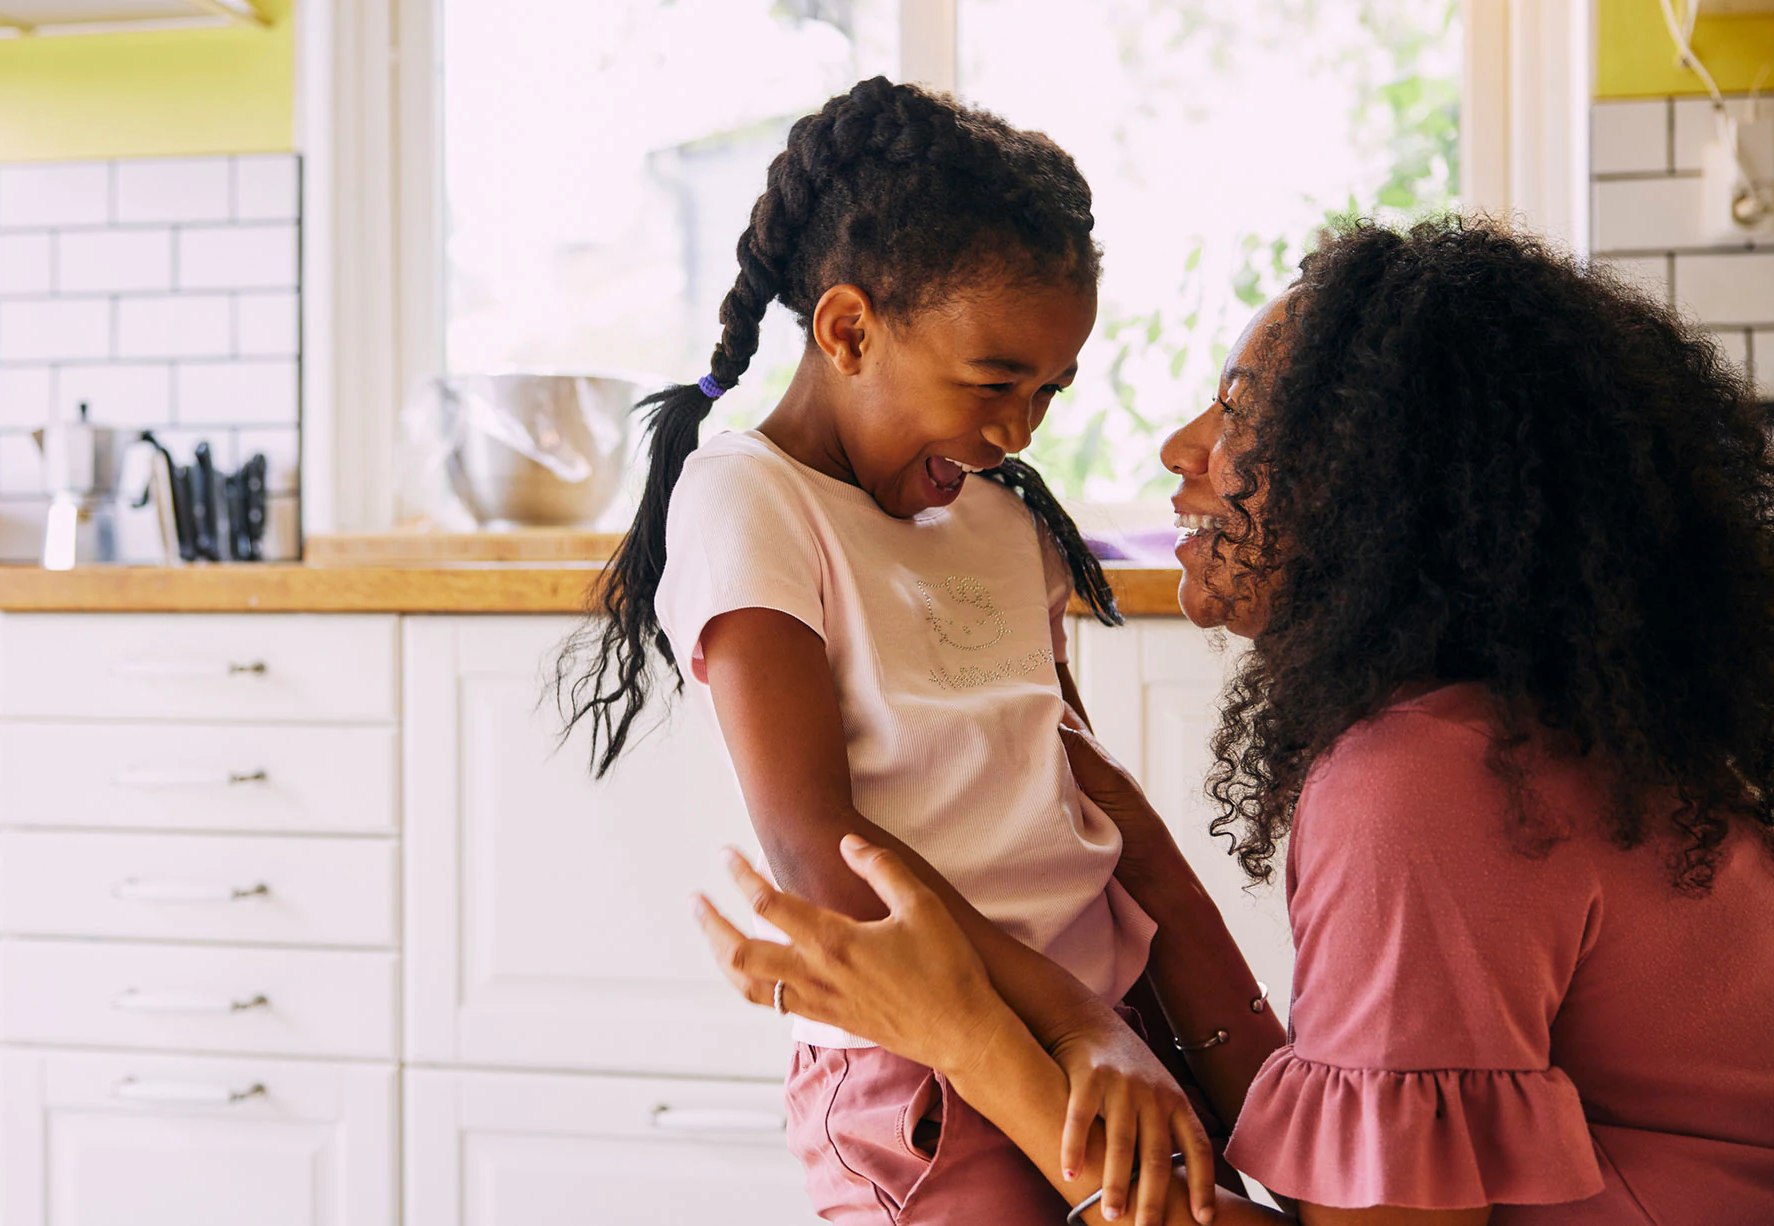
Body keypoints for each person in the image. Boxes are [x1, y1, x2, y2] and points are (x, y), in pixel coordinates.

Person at [695, 217, 1774, 1225]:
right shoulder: (1538, 729)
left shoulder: (1424, 788)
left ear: (1380, 480)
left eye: (1242, 410)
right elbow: (1351, 1153)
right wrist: (1150, 872)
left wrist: (974, 1038)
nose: (1181, 445)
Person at [558, 76, 1221, 1226]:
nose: (1017, 430)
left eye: (1050, 389)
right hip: (919, 1069)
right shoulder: (748, 499)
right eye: (993, 381)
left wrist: (1128, 1018)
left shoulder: (1002, 514)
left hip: (1105, 1023)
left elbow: (1064, 783)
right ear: (850, 329)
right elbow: (825, 857)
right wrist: (1075, 1021)